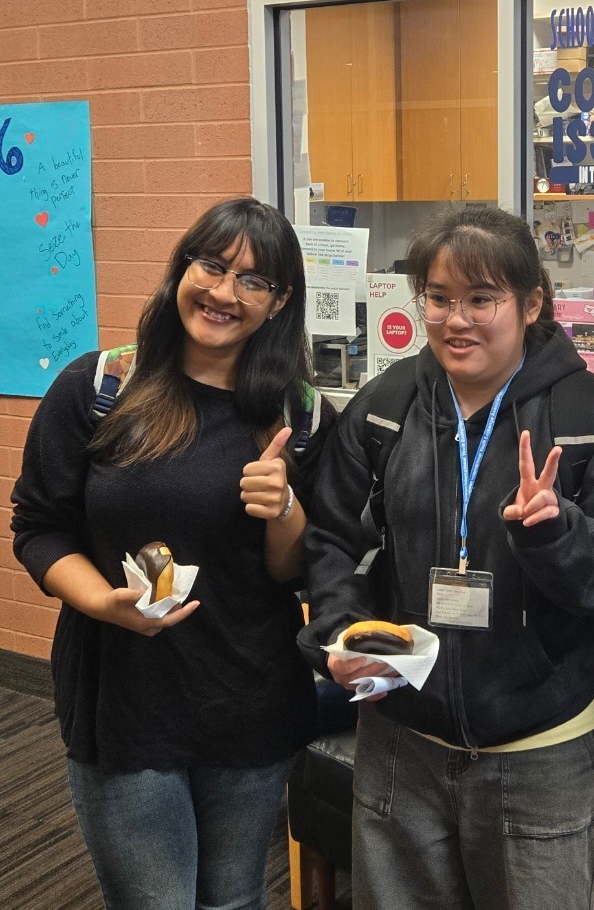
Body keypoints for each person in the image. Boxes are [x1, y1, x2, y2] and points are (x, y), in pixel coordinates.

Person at [299, 205, 594, 910]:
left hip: (541, 750)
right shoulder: (386, 410)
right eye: (438, 298)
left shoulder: (583, 421)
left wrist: (555, 534)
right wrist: (341, 636)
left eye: (481, 299)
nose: (454, 320)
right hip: (399, 743)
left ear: (532, 303)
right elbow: (330, 539)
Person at [11, 197, 335, 910]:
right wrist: (102, 602)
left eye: (253, 281)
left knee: (234, 898)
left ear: (279, 301)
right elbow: (38, 527)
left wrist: (282, 506)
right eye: (212, 265)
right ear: (182, 268)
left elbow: (298, 571)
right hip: (125, 701)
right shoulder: (98, 388)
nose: (224, 292)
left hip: (250, 700)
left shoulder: (300, 413)